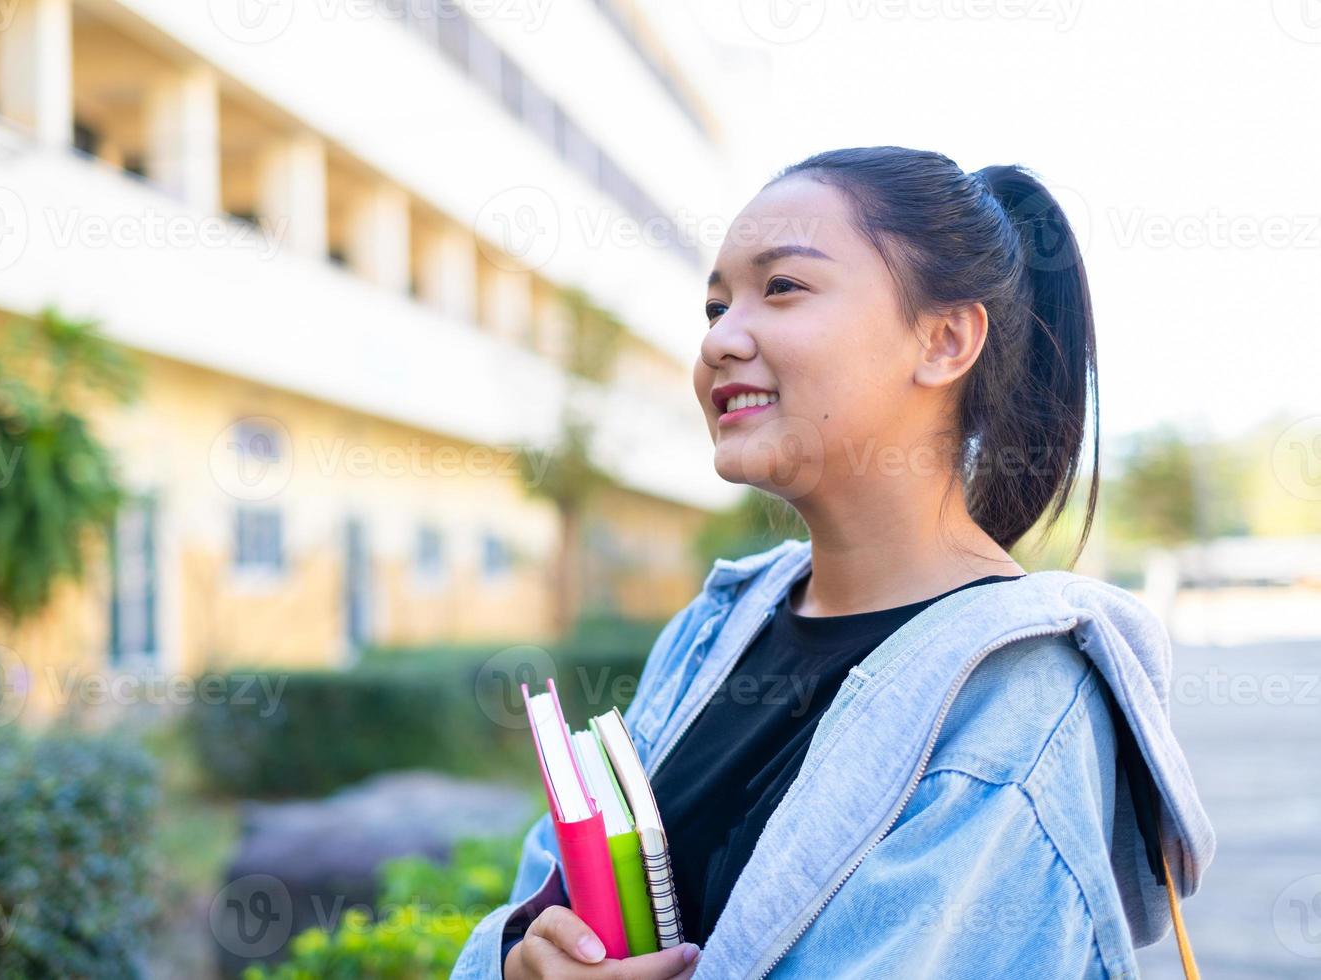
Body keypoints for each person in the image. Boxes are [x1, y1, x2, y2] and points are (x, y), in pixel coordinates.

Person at [451, 146, 1214, 979]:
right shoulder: (714, 628)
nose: (720, 341)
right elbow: (548, 894)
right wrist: (524, 962)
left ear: (946, 339)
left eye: (781, 288)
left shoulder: (1019, 703)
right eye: (714, 307)